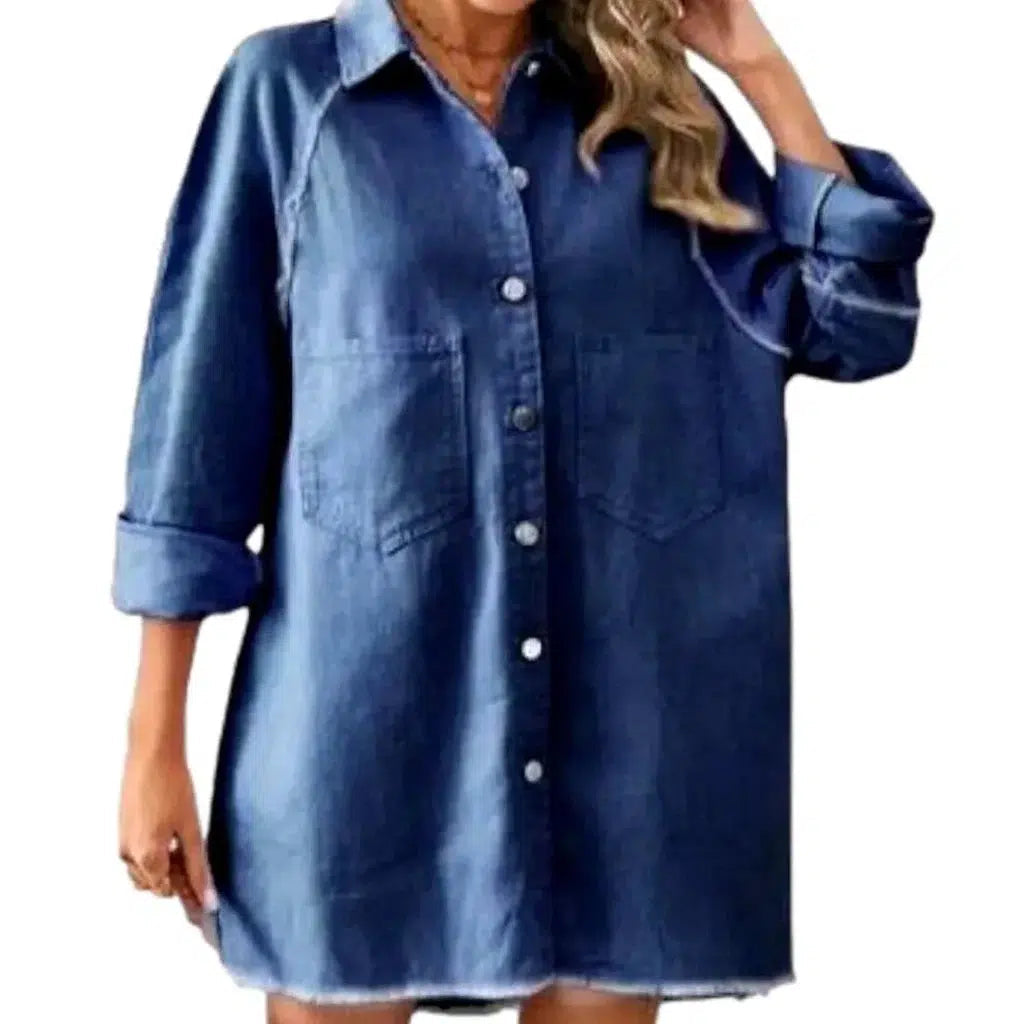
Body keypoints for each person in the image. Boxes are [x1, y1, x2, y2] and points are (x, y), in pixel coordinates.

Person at [112, 0, 934, 1021]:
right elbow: (197, 435)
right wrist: (154, 743)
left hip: (624, 767)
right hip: (357, 750)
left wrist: (756, 65)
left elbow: (856, 324)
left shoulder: (653, 112)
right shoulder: (289, 98)